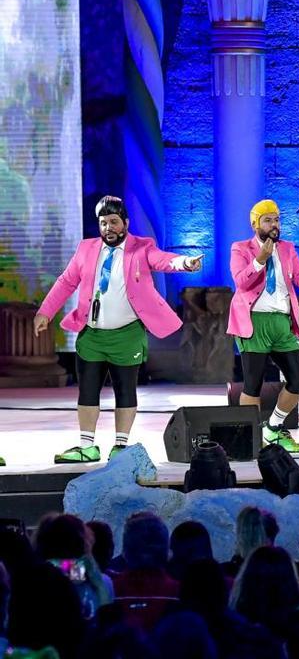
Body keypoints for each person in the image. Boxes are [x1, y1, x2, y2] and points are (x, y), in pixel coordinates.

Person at [34, 195, 202, 463]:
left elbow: (162, 260)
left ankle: (121, 445)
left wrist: (184, 262)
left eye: (113, 222)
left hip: (127, 335)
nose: (108, 228)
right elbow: (66, 282)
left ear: (126, 222)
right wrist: (45, 312)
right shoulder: (86, 249)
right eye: (103, 223)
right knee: (87, 390)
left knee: (125, 390)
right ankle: (86, 446)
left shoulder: (142, 247)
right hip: (92, 334)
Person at [227, 199, 299, 453]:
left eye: (277, 219)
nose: (274, 225)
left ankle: (273, 427)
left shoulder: (287, 248)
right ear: (255, 224)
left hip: (282, 322)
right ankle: (251, 438)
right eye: (268, 220)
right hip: (254, 322)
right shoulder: (240, 248)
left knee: (298, 378)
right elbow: (241, 282)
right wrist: (260, 260)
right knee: (253, 383)